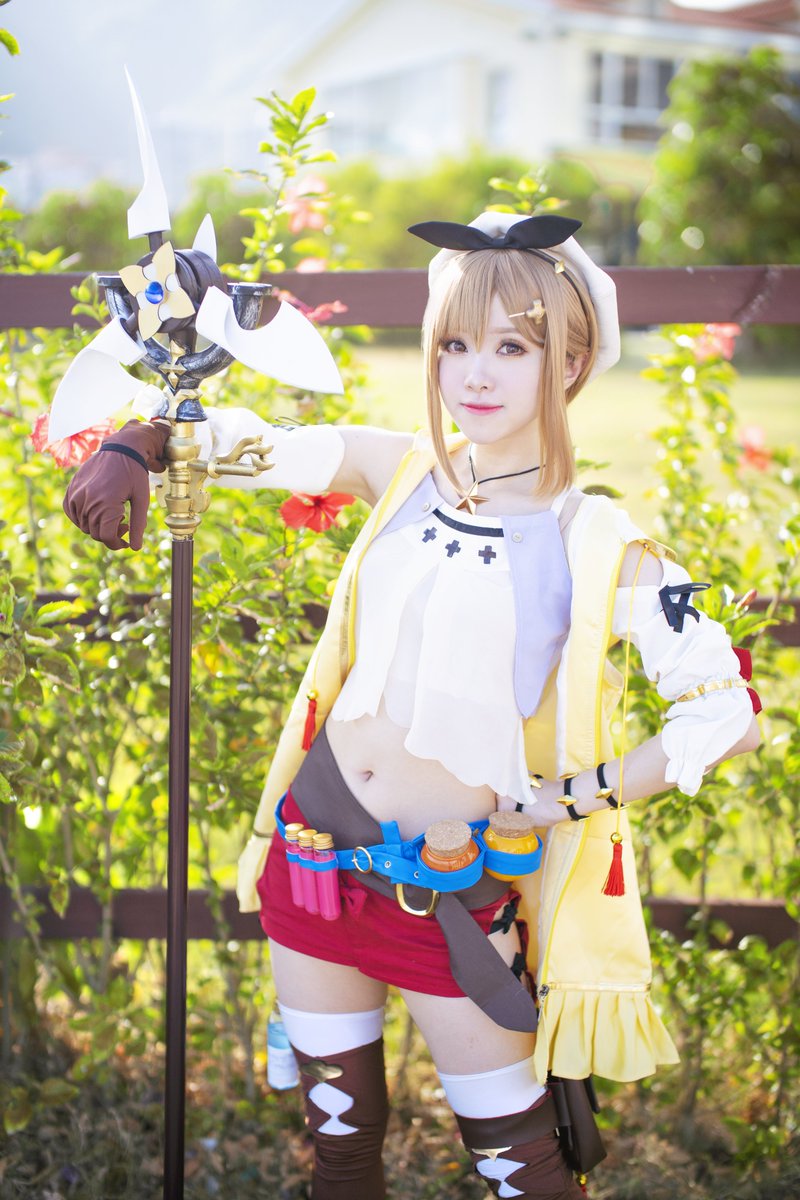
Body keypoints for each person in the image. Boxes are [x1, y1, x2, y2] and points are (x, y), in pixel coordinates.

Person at [63, 211, 761, 1199]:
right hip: (315, 851)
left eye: (511, 348)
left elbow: (724, 712)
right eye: (454, 345)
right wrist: (140, 442)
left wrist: (564, 801)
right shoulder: (399, 470)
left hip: (453, 888)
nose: (474, 374)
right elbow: (242, 443)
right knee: (339, 1148)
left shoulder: (599, 540)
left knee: (518, 1164)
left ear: (568, 363)